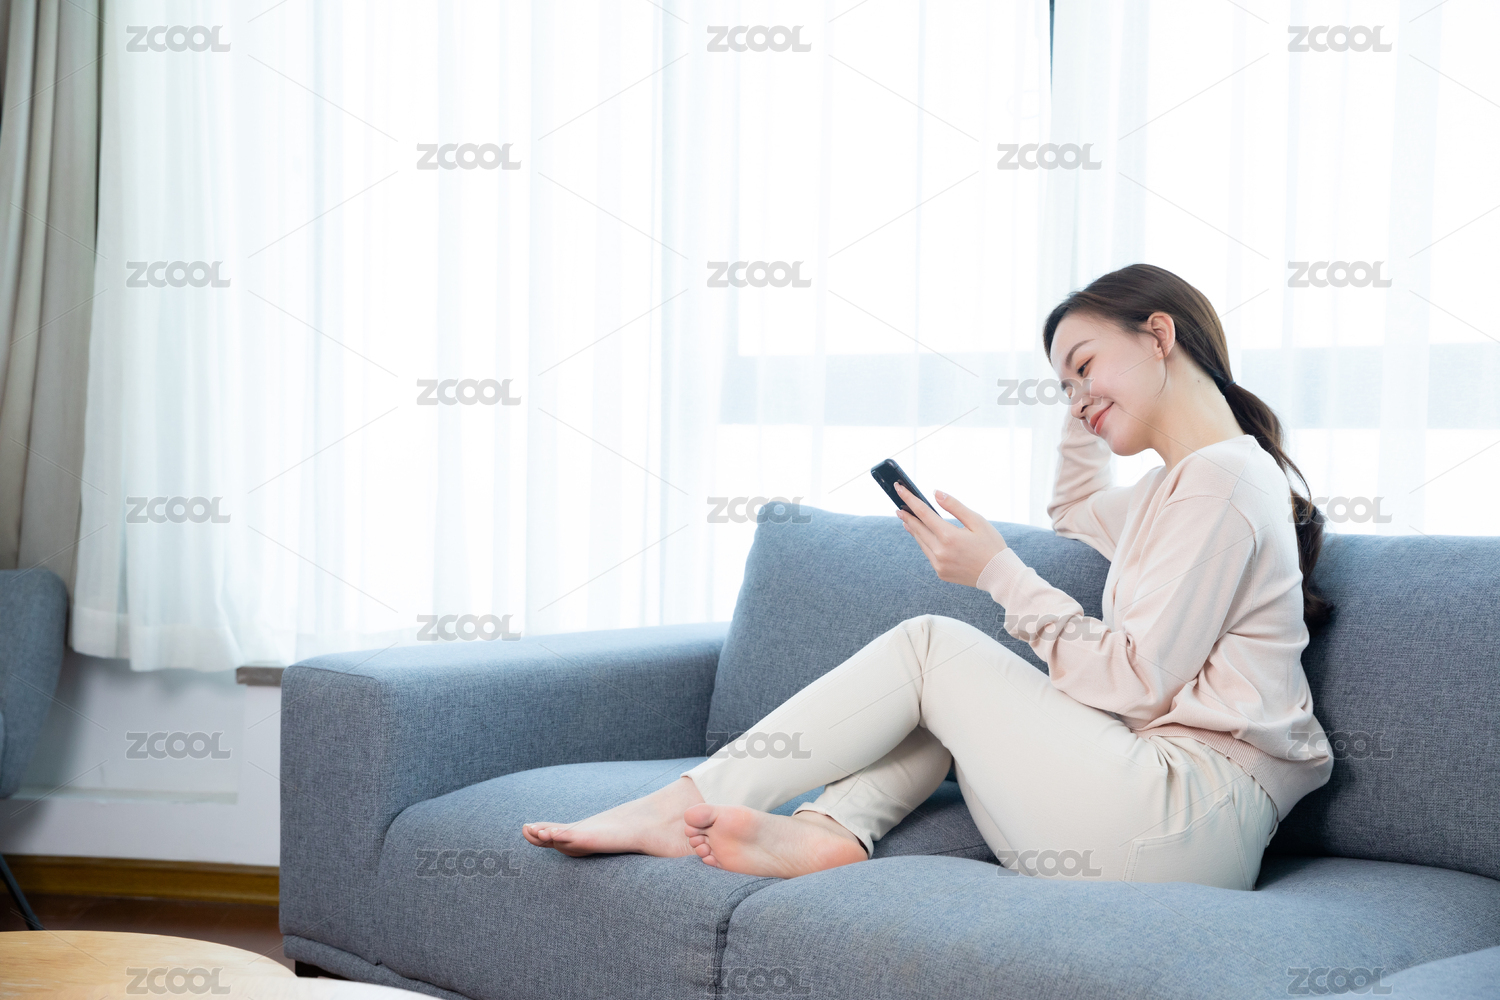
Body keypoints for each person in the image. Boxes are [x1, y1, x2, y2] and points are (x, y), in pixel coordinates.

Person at [523, 263, 1334, 890]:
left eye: (1086, 364)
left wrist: (997, 573)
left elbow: (1137, 683)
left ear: (1160, 334)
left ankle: (680, 806)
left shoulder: (1223, 483)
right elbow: (1075, 507)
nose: (1078, 397)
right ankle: (832, 830)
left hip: (1185, 820)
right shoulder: (1175, 487)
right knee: (947, 696)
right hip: (1150, 820)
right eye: (1063, 385)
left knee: (931, 648)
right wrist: (1083, 398)